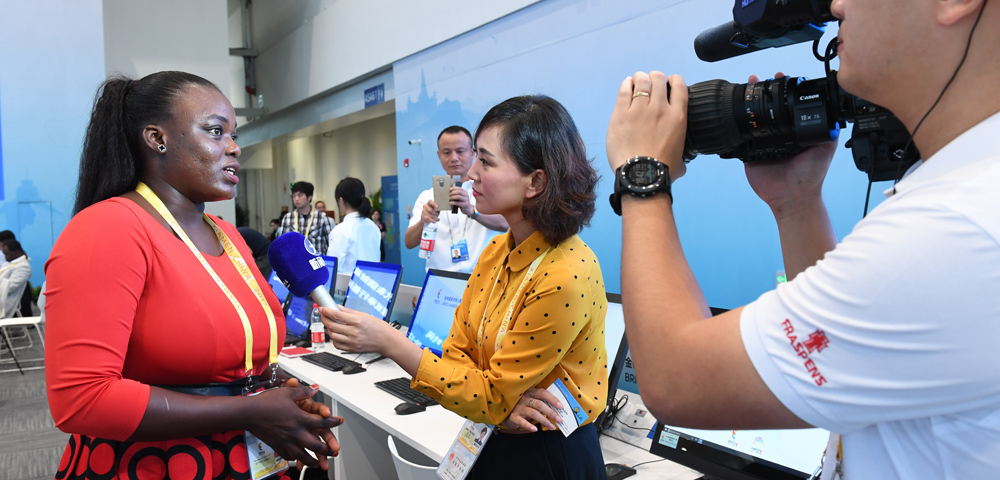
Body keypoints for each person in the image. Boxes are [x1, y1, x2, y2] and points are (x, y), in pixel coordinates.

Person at [606, 1, 1000, 478]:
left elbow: (675, 381)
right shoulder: (968, 193)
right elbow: (849, 356)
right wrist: (796, 203)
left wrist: (642, 173)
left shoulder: (959, 228)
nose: (837, 5)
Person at [44, 71, 342, 480]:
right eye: (216, 131)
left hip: (245, 457)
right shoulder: (108, 228)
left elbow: (226, 364)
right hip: (156, 465)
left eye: (233, 134)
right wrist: (246, 409)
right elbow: (81, 398)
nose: (235, 148)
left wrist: (276, 396)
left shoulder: (228, 234)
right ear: (157, 138)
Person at [325, 96, 608, 479]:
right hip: (493, 436)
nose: (470, 172)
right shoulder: (495, 251)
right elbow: (458, 353)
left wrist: (391, 343)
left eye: (485, 160)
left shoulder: (565, 273)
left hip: (548, 454)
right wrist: (498, 405)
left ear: (535, 181)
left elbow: (488, 394)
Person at [403, 126, 509, 272]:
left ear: (473, 153)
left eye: (460, 151)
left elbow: (505, 224)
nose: (454, 158)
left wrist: (472, 211)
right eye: (447, 152)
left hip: (482, 280)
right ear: (439, 155)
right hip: (440, 281)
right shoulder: (427, 196)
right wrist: (424, 221)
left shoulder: (488, 190)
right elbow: (408, 242)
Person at [326, 177, 380, 274]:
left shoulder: (340, 230)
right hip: (372, 283)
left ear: (341, 201)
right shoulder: (373, 226)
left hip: (348, 287)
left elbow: (333, 269)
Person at [276, 181, 334, 253]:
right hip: (295, 260)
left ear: (309, 197)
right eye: (294, 196)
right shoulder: (288, 218)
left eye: (300, 195)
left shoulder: (321, 217)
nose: (296, 199)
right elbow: (282, 244)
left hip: (316, 261)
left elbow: (330, 243)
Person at [0, 239, 31, 318]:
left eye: (7, 254)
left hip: (5, 302)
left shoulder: (23, 267)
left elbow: (10, 287)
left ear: (17, 252)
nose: (5, 257)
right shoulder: (10, 263)